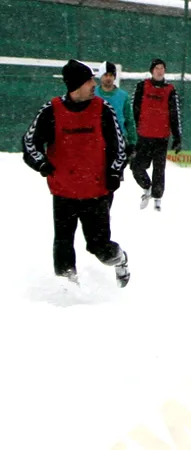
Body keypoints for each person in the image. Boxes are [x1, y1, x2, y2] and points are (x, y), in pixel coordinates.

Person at [21, 59, 131, 288]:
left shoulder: (103, 109)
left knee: (98, 247)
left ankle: (120, 259)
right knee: (63, 243)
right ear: (76, 86)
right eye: (90, 80)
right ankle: (68, 288)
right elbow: (30, 142)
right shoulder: (51, 111)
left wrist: (114, 172)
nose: (94, 84)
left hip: (97, 191)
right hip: (63, 191)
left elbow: (119, 146)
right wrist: (41, 164)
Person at [131, 58, 182, 212]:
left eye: (162, 68)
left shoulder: (170, 90)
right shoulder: (142, 86)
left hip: (161, 137)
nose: (160, 71)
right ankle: (147, 187)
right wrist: (132, 132)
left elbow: (174, 114)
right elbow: (134, 111)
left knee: (159, 169)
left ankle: (157, 198)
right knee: (136, 167)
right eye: (157, 68)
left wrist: (177, 137)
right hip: (143, 136)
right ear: (152, 71)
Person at [95, 61, 137, 159]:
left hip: (117, 141)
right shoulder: (93, 94)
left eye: (111, 75)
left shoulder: (123, 96)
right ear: (100, 76)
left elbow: (129, 120)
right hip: (96, 140)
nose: (108, 78)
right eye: (105, 75)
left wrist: (132, 142)